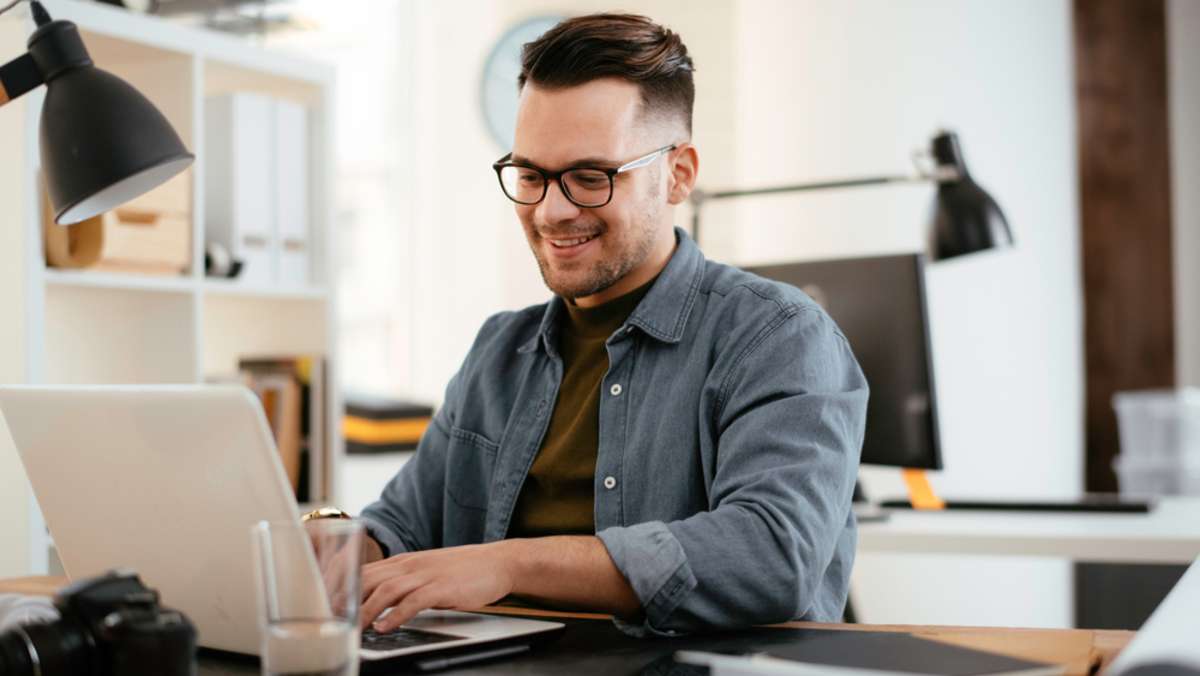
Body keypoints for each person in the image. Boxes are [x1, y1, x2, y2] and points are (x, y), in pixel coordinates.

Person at [350, 13, 868, 637]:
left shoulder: (778, 335)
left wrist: (508, 565)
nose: (552, 210)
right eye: (532, 176)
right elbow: (402, 525)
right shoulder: (500, 349)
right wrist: (332, 552)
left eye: (591, 178)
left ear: (678, 173)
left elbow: (771, 554)